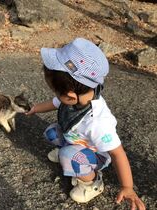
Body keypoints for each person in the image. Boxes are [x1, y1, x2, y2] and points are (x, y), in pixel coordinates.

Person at [26, 38, 146, 209]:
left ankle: (91, 183)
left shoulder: (97, 123)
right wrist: (35, 108)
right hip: (76, 139)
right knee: (51, 132)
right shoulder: (80, 94)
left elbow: (118, 154)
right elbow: (54, 103)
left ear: (70, 97)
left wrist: (127, 187)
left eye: (54, 90)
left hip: (96, 154)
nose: (55, 94)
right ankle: (68, 155)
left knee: (68, 155)